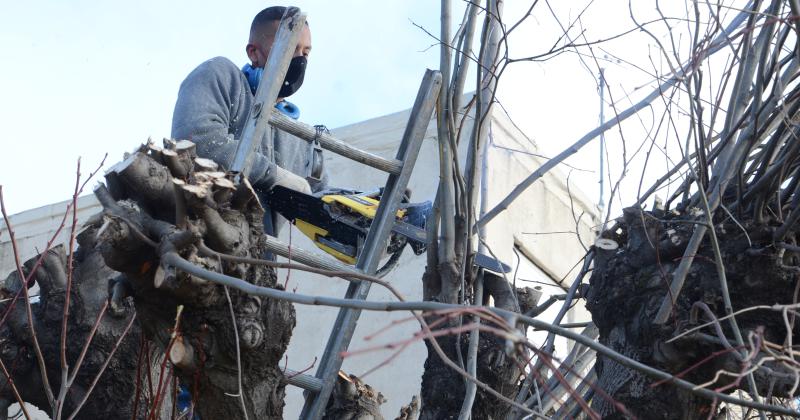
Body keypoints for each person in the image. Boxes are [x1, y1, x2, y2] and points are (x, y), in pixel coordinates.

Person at [171, 6, 327, 237]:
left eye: (305, 52)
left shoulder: (299, 138)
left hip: (258, 255)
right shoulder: (222, 77)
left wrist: (372, 213)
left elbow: (321, 202)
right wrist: (272, 175)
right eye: (290, 48)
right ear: (254, 52)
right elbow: (197, 141)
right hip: (200, 234)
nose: (299, 60)